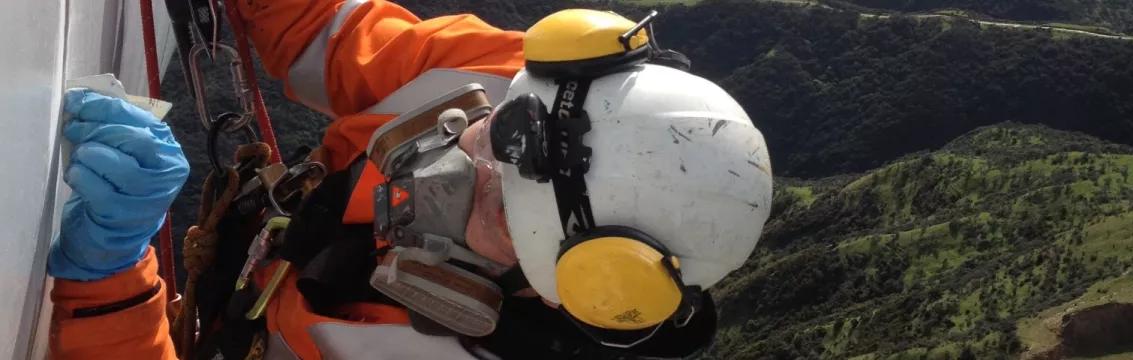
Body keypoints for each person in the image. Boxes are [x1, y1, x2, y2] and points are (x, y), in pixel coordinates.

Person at [48, 1, 772, 359]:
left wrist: (110, 288)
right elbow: (329, 40)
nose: (454, 157)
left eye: (491, 200)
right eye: (491, 130)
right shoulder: (514, 86)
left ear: (545, 282)